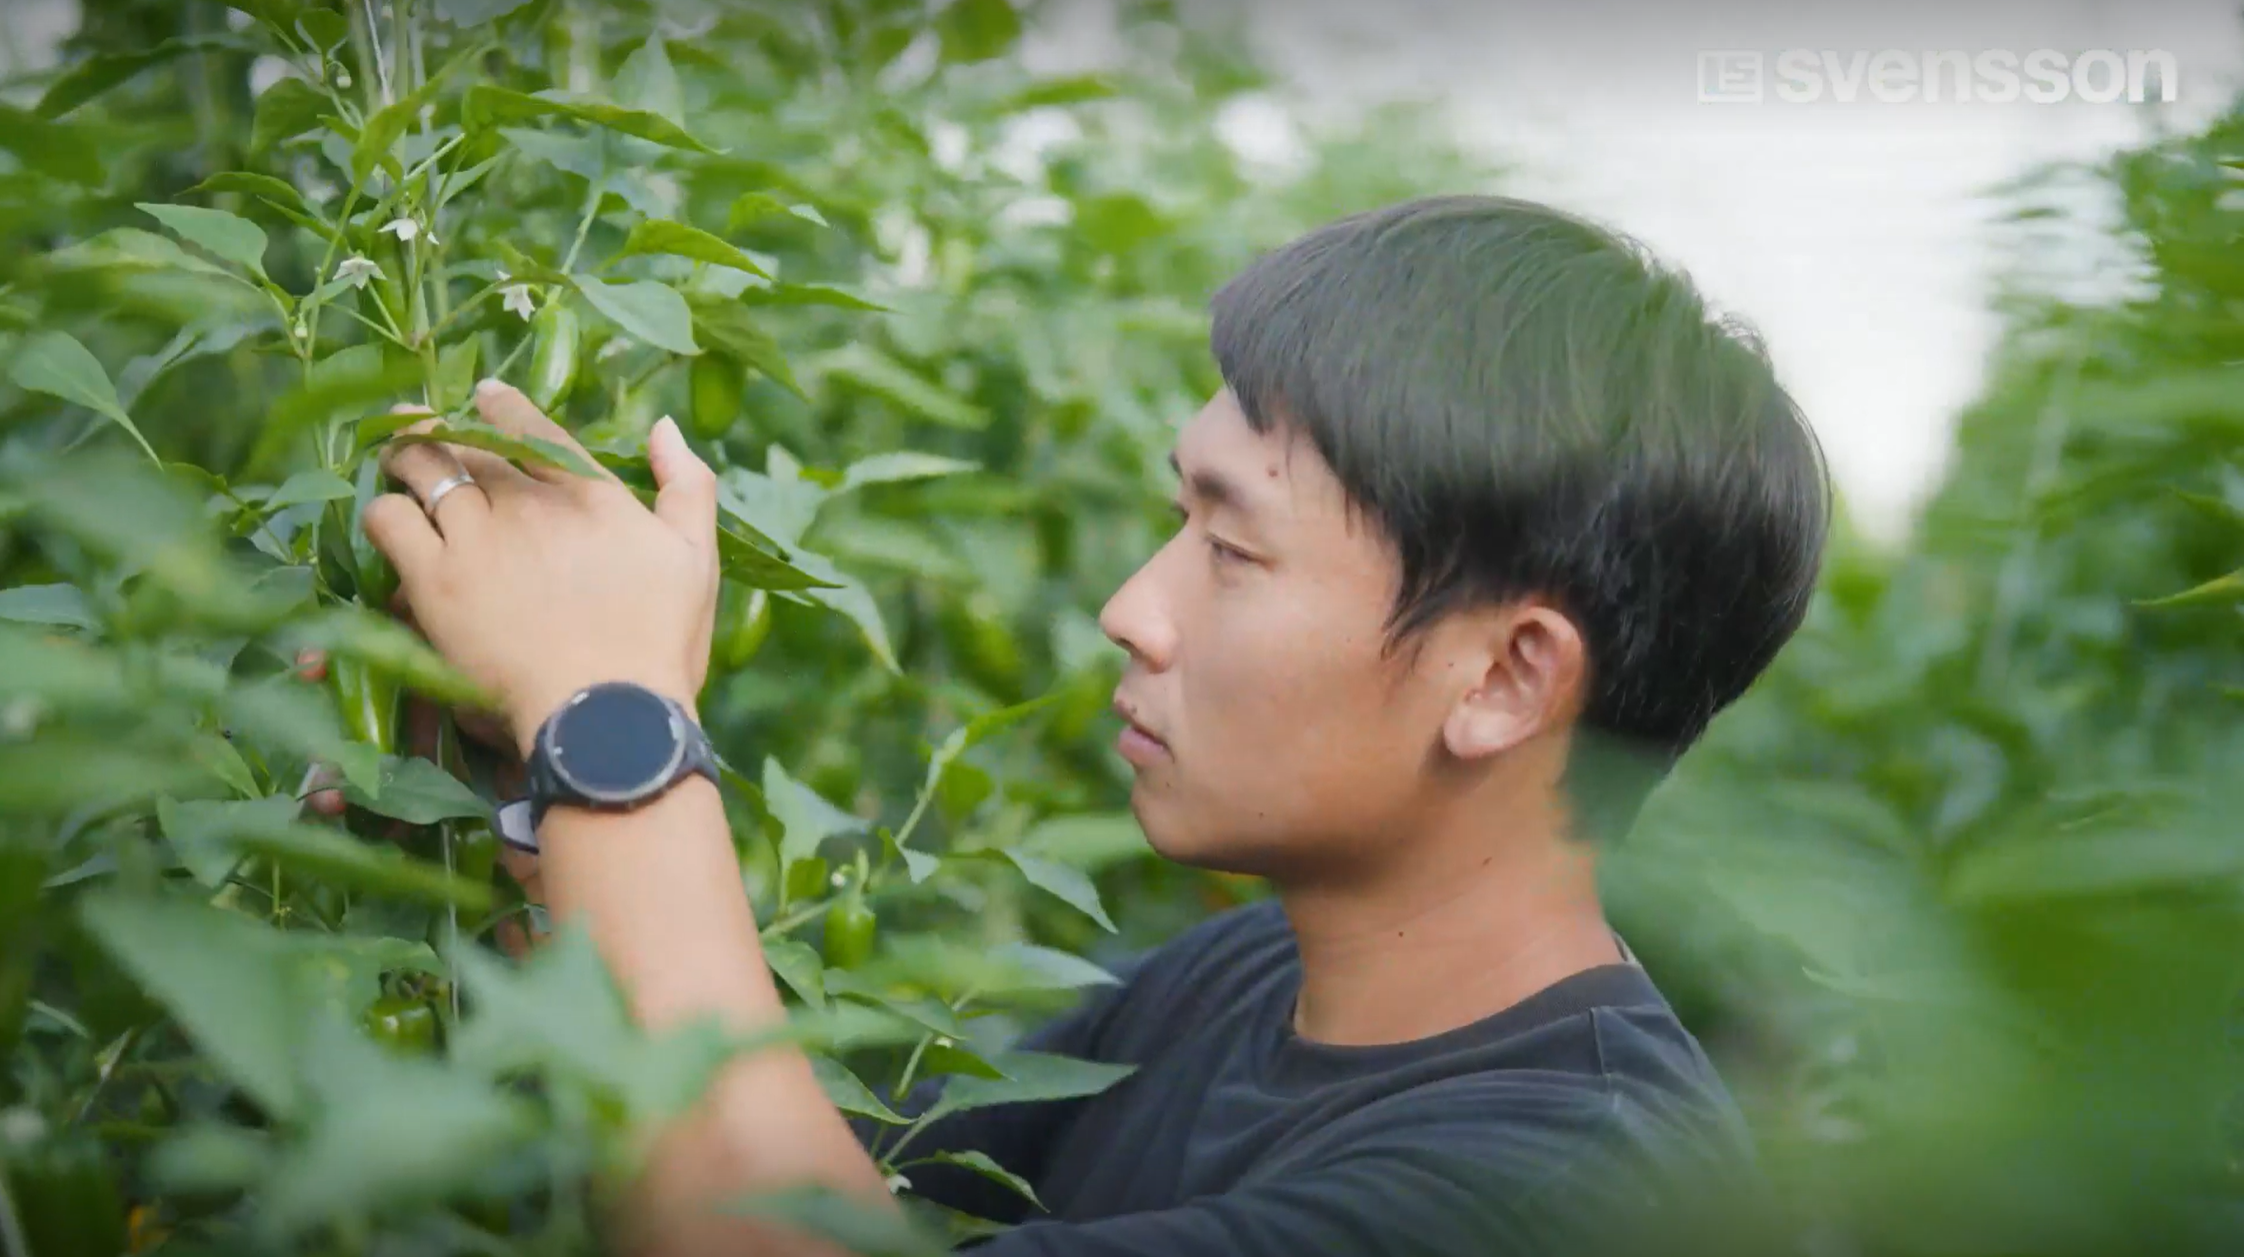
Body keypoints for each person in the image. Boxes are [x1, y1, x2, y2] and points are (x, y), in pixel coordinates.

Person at [338, 194, 1830, 1256]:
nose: (1135, 605)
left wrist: (614, 735)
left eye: (1234, 550)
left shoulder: (1576, 1196)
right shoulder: (1250, 973)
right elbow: (789, 1170)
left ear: (1505, 678)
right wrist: (516, 822)